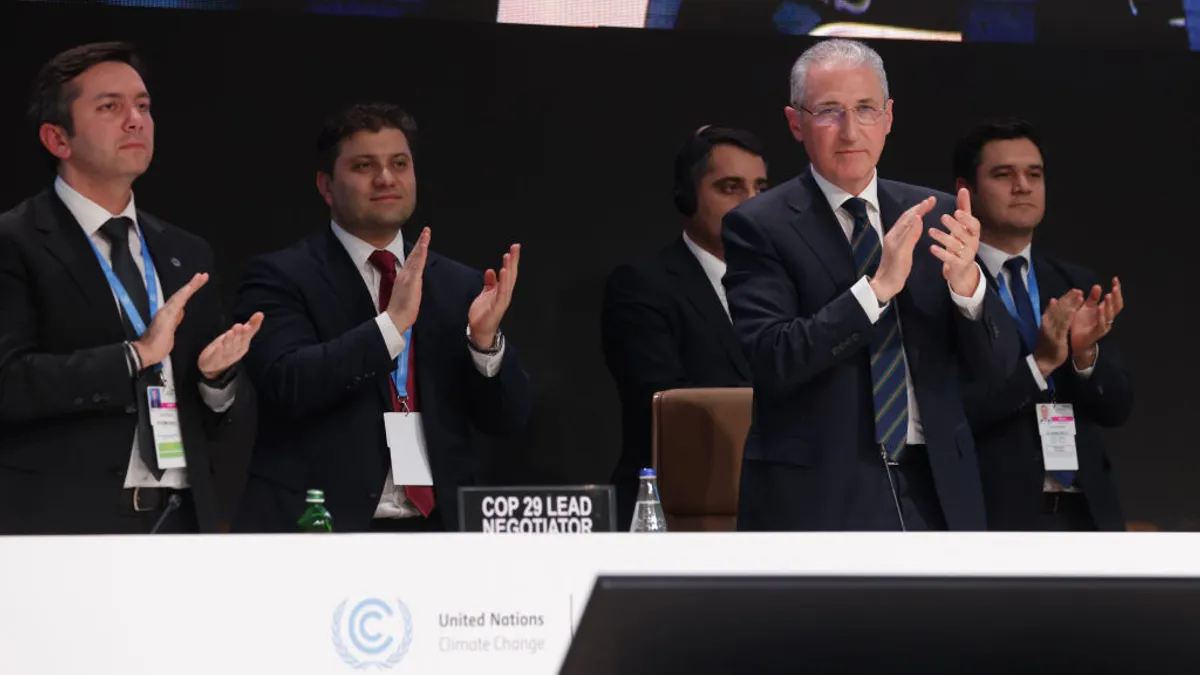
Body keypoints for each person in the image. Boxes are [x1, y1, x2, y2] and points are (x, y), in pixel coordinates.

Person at [722, 38, 1018, 531]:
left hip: (939, 485)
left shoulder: (936, 212)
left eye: (865, 109)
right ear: (795, 122)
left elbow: (1001, 366)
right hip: (822, 493)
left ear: (889, 117)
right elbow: (773, 357)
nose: (850, 129)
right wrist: (876, 290)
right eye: (829, 111)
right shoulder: (760, 225)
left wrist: (969, 288)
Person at [232, 102, 533, 533]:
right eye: (363, 165)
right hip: (322, 528)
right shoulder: (281, 276)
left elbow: (508, 419)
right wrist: (390, 327)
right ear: (326, 185)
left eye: (399, 163)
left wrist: (484, 345)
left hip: (439, 531)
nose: (386, 178)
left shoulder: (458, 284)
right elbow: (289, 383)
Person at [0, 42, 261, 534]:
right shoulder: (14, 243)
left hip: (184, 517)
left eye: (142, 105)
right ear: (58, 139)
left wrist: (216, 380)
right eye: (109, 107)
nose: (135, 120)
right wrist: (133, 356)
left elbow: (221, 412)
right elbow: (9, 381)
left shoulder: (187, 252)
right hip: (64, 524)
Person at [953, 117, 1132, 531]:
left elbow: (1118, 406)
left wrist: (1085, 356)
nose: (1023, 186)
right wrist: (1040, 364)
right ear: (966, 190)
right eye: (1003, 174)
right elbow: (955, 411)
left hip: (1085, 513)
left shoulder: (1074, 282)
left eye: (1034, 174)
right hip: (995, 516)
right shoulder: (949, 284)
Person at [601, 125, 766, 527]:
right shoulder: (643, 285)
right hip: (678, 511)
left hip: (770, 508)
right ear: (687, 197)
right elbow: (662, 404)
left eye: (761, 188)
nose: (752, 204)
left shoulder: (787, 286)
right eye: (730, 188)